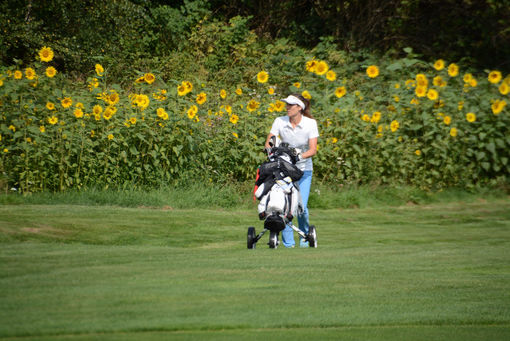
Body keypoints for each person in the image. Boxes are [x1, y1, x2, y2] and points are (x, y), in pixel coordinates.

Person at [264, 94, 319, 248]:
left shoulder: (310, 123)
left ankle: (304, 237)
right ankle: (288, 244)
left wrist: (299, 156)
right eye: (286, 105)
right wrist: (270, 148)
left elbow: (313, 150)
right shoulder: (279, 121)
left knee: (301, 207)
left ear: (299, 108)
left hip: (304, 171)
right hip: (284, 170)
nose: (287, 107)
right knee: (284, 206)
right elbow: (271, 139)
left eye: (290, 105)